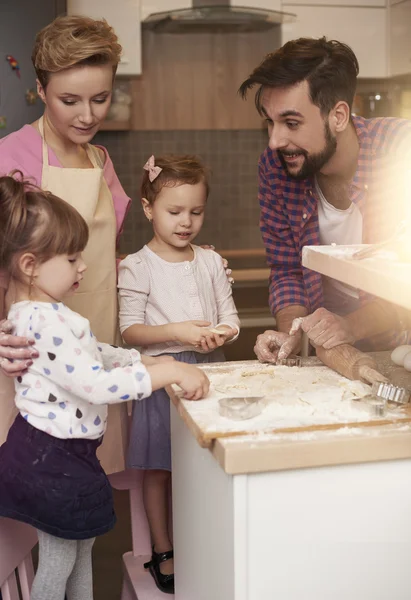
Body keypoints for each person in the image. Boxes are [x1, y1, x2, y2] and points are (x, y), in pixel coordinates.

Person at [0, 174, 209, 600]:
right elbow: (95, 383)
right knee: (60, 560)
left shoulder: (43, 313)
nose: (84, 267)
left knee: (80, 550)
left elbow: (92, 353)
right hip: (51, 462)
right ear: (29, 265)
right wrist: (168, 373)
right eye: (72, 258)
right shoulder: (43, 321)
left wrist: (143, 360)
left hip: (64, 457)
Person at [0, 15, 132, 472]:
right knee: (23, 494)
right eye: (69, 100)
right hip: (27, 358)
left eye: (100, 98)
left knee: (79, 485)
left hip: (91, 342)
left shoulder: (101, 159)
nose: (88, 115)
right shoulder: (10, 156)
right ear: (40, 90)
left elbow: (103, 253)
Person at [238, 36, 411, 364]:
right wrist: (291, 334)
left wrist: (350, 325)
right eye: (269, 122)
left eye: (291, 123)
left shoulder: (401, 151)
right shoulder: (275, 167)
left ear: (339, 116)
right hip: (331, 349)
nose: (275, 141)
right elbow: (287, 269)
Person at [118, 154, 240, 594]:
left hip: (210, 374)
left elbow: (230, 318)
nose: (186, 222)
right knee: (160, 468)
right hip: (160, 378)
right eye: (174, 212)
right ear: (149, 208)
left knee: (205, 464)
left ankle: (203, 541)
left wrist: (218, 336)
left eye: (196, 211)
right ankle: (163, 549)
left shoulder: (209, 261)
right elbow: (129, 331)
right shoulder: (137, 265)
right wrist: (178, 333)